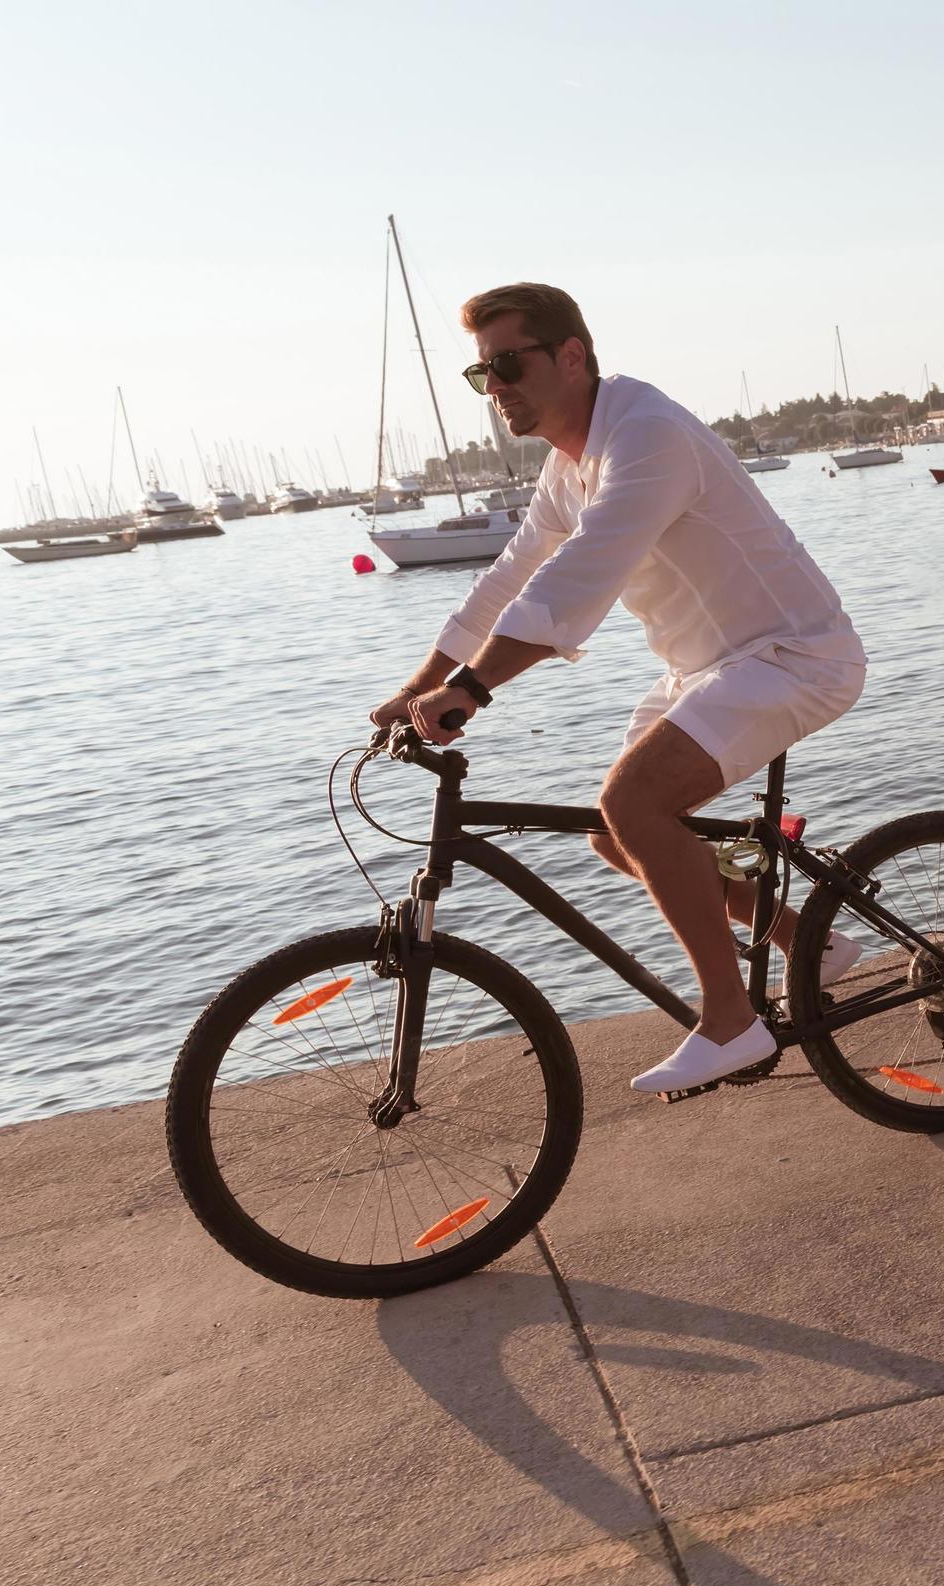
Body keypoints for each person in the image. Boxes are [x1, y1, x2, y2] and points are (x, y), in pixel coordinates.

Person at [369, 283, 868, 1097]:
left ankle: (731, 1020)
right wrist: (418, 686)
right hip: (707, 668)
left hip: (792, 654)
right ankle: (803, 936)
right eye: (481, 374)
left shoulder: (647, 435)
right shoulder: (570, 465)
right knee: (615, 833)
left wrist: (472, 688)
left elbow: (575, 581)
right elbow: (511, 575)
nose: (495, 388)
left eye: (508, 364)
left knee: (633, 801)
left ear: (572, 357)